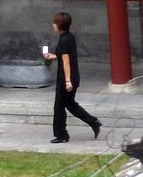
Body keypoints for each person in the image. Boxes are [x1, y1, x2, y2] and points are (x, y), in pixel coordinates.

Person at [43, 12, 101, 144]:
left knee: (59, 107)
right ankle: (93, 122)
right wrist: (53, 56)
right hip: (74, 76)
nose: (53, 25)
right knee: (69, 104)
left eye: (55, 23)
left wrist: (67, 81)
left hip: (66, 78)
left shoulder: (63, 40)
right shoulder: (69, 37)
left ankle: (62, 134)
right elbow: (64, 56)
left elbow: (66, 62)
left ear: (59, 25)